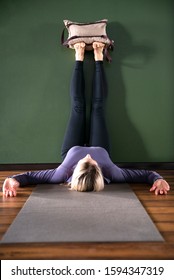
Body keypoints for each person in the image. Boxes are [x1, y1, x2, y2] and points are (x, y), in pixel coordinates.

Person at [2, 42, 170, 197]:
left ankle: (79, 56)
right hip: (101, 147)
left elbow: (30, 177)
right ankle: (98, 57)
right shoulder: (112, 172)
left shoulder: (62, 172)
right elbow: (145, 175)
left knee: (78, 107)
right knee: (98, 108)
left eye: (85, 159)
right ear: (101, 171)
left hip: (71, 150)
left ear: (74, 171)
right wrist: (158, 179)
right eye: (93, 161)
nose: (89, 154)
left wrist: (13, 179)